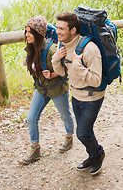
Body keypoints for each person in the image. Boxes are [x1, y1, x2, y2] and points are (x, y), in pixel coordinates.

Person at [51, 12, 105, 176]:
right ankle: (93, 156)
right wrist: (56, 59)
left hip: (92, 97)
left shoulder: (90, 49)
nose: (57, 31)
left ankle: (99, 154)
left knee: (82, 133)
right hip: (76, 96)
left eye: (61, 28)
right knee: (86, 131)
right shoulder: (63, 46)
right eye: (57, 27)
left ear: (73, 30)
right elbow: (62, 72)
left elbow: (96, 80)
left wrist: (77, 65)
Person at [21, 15, 74, 165]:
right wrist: (29, 63)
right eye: (26, 32)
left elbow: (67, 68)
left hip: (57, 89)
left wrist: (53, 74)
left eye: (30, 32)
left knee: (65, 116)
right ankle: (35, 148)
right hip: (42, 89)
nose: (27, 35)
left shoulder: (51, 50)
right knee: (31, 118)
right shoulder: (31, 47)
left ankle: (69, 137)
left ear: (38, 34)